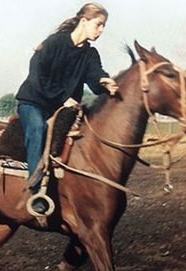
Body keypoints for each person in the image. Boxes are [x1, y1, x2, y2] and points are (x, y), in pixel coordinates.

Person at [15, 2, 118, 214]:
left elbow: (94, 75)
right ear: (83, 21)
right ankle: (35, 191)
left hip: (62, 107)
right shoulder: (54, 43)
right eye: (99, 25)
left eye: (103, 26)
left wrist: (104, 81)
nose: (101, 30)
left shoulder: (90, 54)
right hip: (34, 102)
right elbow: (37, 76)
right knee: (37, 130)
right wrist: (63, 98)